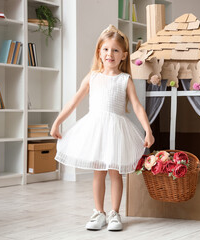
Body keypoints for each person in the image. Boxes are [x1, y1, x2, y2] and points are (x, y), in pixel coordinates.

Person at [50, 24, 154, 231]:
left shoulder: (125, 80)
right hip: (95, 128)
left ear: (124, 55)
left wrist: (148, 130)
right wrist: (57, 122)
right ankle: (99, 212)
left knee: (115, 172)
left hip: (117, 130)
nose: (110, 54)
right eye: (106, 49)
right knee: (99, 172)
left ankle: (115, 213)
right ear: (99, 52)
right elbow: (74, 101)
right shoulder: (93, 77)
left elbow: (137, 106)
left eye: (115, 50)